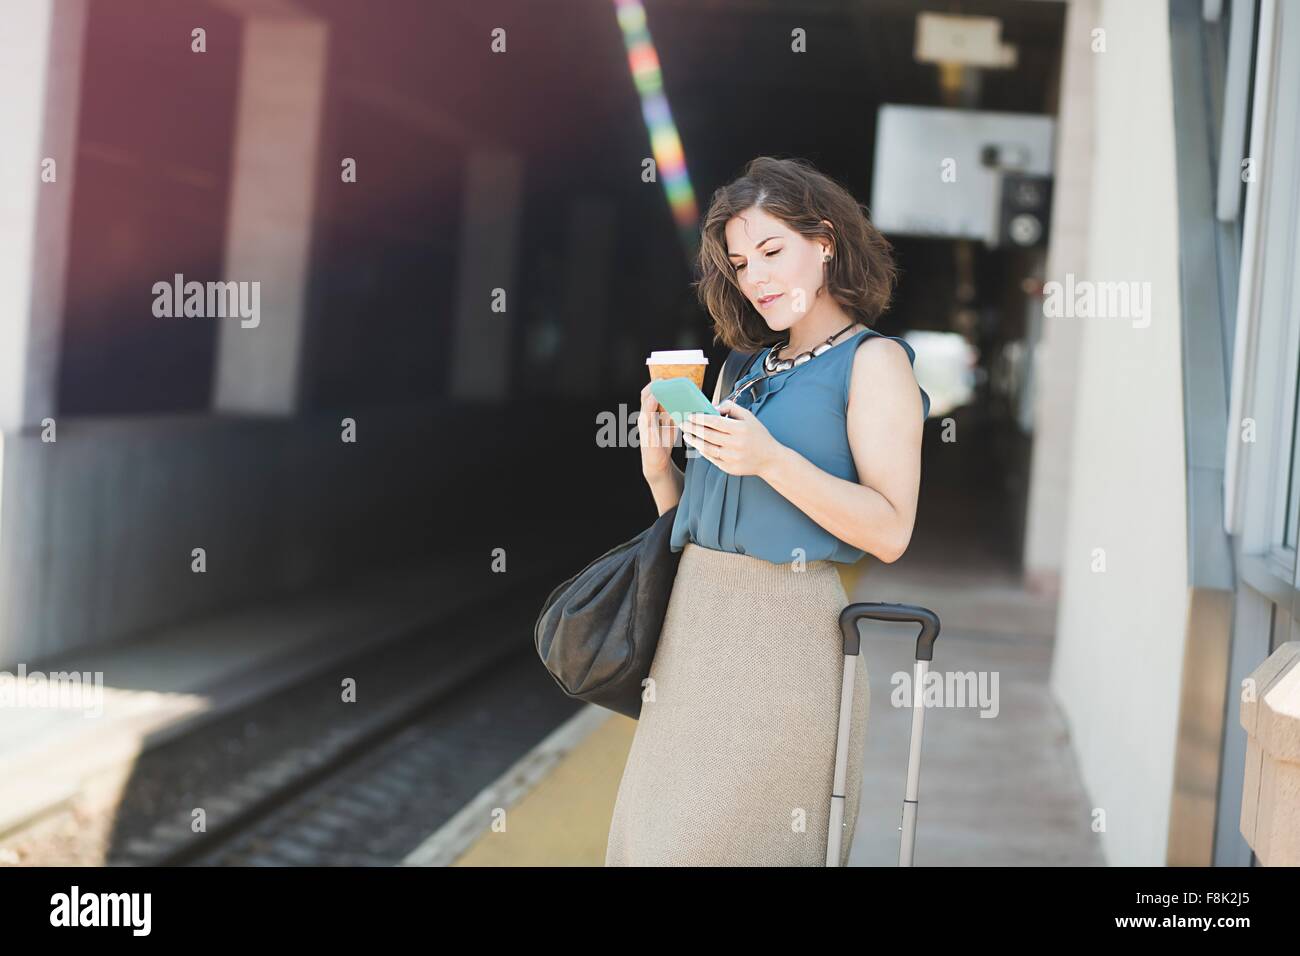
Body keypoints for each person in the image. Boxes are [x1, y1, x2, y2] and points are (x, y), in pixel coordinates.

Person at [606, 156, 930, 866]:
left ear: (825, 242)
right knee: (648, 844)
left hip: (784, 650)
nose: (755, 278)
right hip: (690, 641)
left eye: (773, 251)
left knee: (718, 848)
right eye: (741, 262)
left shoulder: (874, 364)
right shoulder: (741, 370)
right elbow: (697, 529)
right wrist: (661, 470)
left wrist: (772, 459)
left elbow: (890, 529)